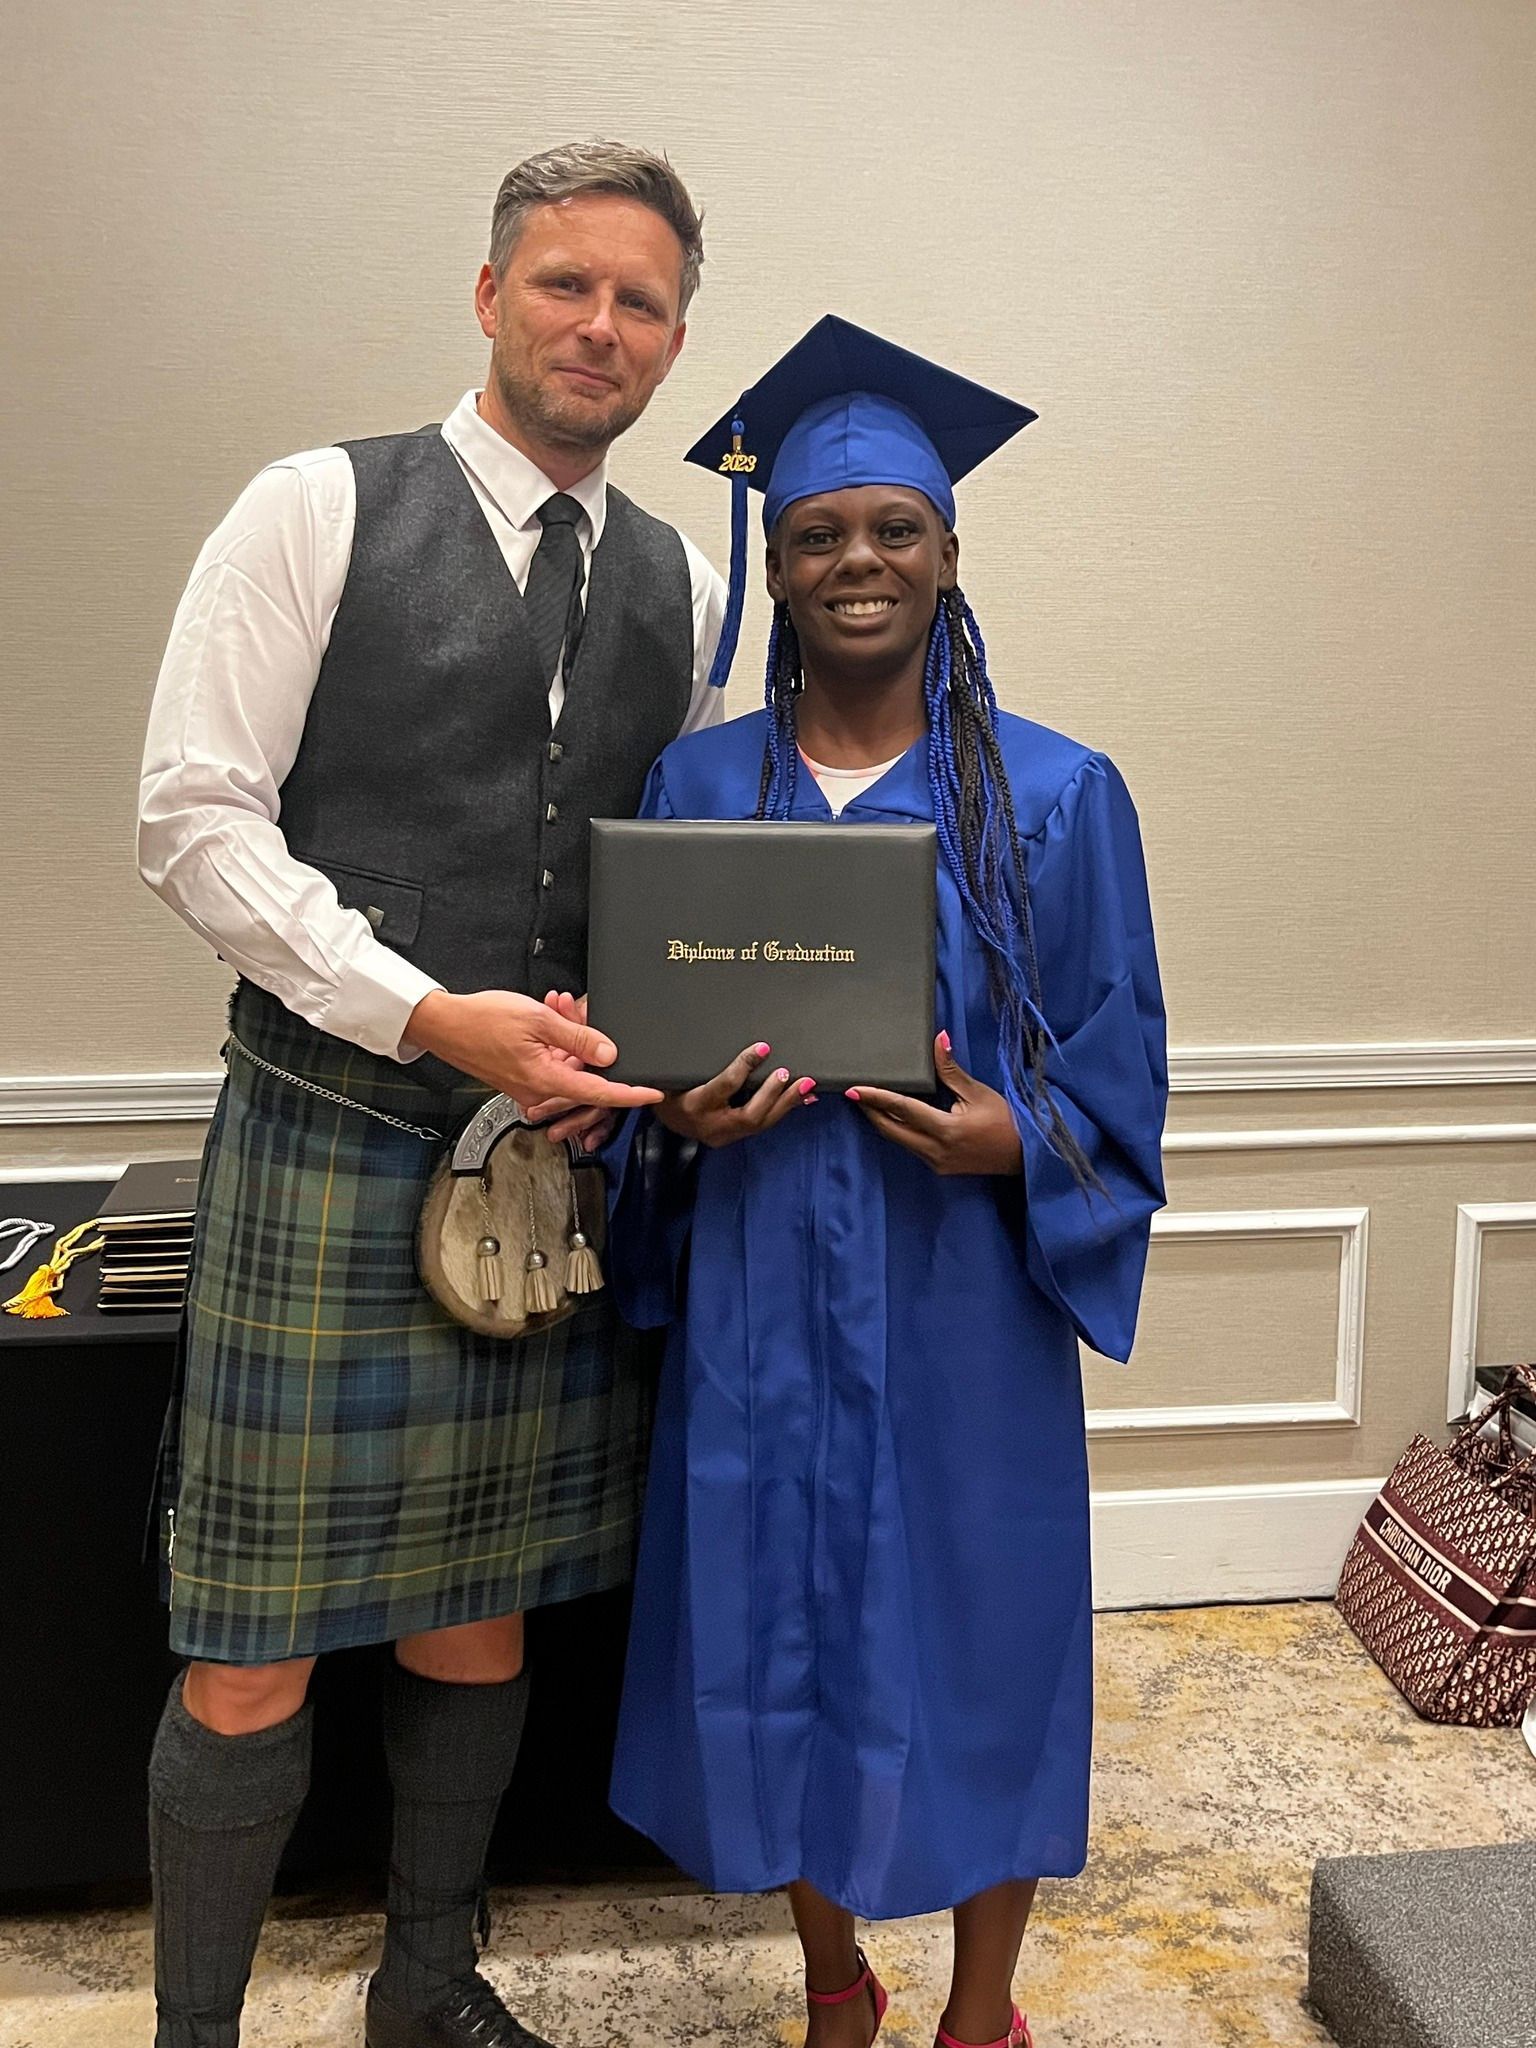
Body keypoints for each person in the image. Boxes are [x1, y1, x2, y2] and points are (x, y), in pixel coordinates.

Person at [136, 142, 723, 2048]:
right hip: (328, 1137)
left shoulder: (687, 586)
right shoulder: (313, 506)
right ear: (489, 298)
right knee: (247, 1651)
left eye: (638, 302)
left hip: (544, 1176)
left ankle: (424, 1991)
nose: (598, 326)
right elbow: (194, 826)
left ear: (673, 342)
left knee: (477, 1607)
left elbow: (680, 877)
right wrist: (424, 1014)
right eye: (565, 284)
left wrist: (620, 1059)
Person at [598, 317, 1169, 2048]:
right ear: (774, 563)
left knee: (986, 1644)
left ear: (948, 551)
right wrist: (673, 1120)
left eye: (894, 529)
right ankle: (834, 1976)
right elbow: (637, 1068)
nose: (859, 560)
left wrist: (1017, 1138)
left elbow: (1117, 1072)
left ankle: (981, 2008)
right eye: (819, 532)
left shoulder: (1061, 797)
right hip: (763, 1286)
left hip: (957, 1301)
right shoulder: (696, 787)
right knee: (774, 1642)